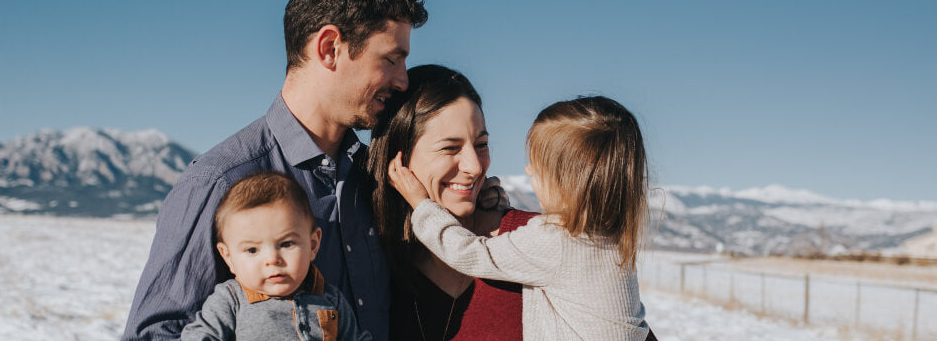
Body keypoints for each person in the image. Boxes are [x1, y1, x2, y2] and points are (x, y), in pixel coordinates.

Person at [121, 0, 428, 340]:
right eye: (391, 59)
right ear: (330, 48)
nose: (403, 80)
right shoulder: (219, 182)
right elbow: (154, 333)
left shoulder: (376, 176)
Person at [388, 96, 654, 340]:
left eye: (538, 166)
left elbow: (467, 252)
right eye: (450, 147)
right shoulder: (612, 242)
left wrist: (422, 205)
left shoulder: (555, 240)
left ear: (566, 180)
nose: (527, 170)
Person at [366, 64, 539, 340]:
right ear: (400, 159)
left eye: (481, 145)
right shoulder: (372, 258)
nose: (474, 167)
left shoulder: (534, 240)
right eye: (450, 148)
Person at [181, 173, 371, 341]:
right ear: (228, 257)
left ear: (313, 245)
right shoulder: (231, 300)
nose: (272, 260)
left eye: (287, 244)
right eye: (252, 250)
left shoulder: (330, 298)